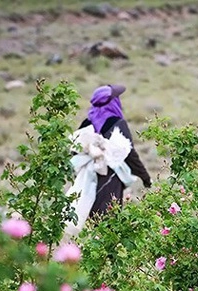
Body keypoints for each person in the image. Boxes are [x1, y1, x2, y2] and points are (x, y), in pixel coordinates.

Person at [64, 84, 152, 236]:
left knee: (90, 217)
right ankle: (106, 256)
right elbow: (130, 154)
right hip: (110, 179)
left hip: (88, 178)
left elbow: (74, 149)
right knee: (109, 220)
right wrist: (145, 177)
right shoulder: (117, 124)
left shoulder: (87, 123)